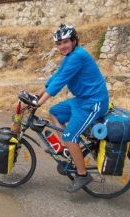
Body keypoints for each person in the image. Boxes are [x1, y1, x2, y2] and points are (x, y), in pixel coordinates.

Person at [35, 24, 109, 193]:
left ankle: (82, 175)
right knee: (55, 112)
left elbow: (59, 83)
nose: (62, 46)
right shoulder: (69, 57)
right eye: (59, 43)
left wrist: (38, 103)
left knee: (70, 134)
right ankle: (68, 147)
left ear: (74, 41)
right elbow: (56, 77)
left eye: (66, 42)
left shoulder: (78, 56)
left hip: (93, 102)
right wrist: (37, 96)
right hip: (81, 100)